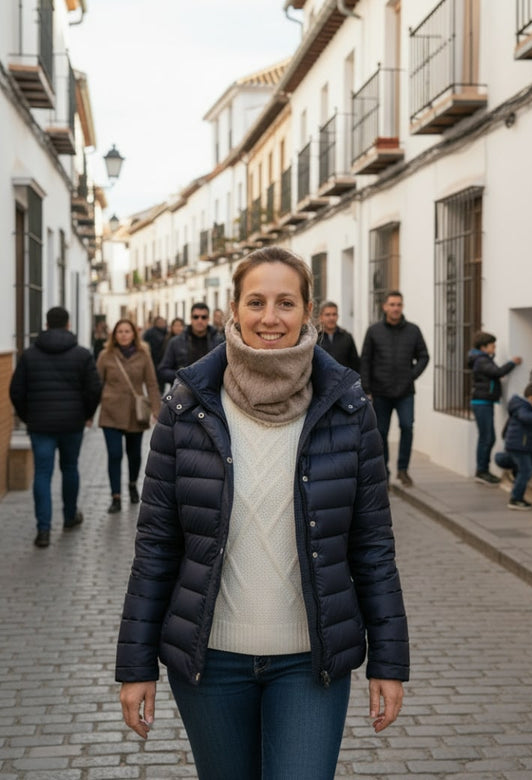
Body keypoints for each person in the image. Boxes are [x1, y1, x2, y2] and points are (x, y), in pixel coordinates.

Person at [116, 246, 409, 780]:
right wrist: (135, 665)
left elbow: (371, 545)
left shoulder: (347, 407)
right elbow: (157, 544)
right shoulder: (188, 407)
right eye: (256, 301)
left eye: (285, 303)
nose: (269, 318)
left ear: (308, 310)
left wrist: (389, 661)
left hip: (310, 662)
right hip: (211, 662)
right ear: (233, 308)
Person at [9, 306, 102, 548]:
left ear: (46, 325)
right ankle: (70, 517)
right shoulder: (82, 354)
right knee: (70, 468)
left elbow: (16, 390)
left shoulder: (29, 355)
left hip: (40, 424)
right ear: (69, 325)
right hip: (72, 423)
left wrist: (28, 416)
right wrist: (87, 414)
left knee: (42, 474)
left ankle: (43, 531)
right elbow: (94, 389)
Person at [360, 290, 429, 487]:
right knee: (380, 433)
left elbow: (424, 356)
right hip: (380, 392)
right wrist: (366, 388)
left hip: (405, 392)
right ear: (385, 307)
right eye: (392, 304)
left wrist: (411, 376)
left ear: (402, 307)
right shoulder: (374, 331)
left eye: (398, 304)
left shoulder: (413, 330)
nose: (395, 308)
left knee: (407, 427)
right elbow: (365, 360)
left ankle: (403, 470)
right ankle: (385, 473)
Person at [97, 320, 161, 513]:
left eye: (127, 331)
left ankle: (132, 484)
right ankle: (115, 496)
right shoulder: (105, 355)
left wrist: (156, 410)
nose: (124, 335)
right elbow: (96, 383)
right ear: (114, 335)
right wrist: (89, 411)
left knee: (134, 455)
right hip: (111, 412)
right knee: (114, 454)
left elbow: (151, 383)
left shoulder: (143, 355)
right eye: (120, 332)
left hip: (135, 413)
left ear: (134, 334)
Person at [467, 331, 522, 486]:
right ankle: (482, 471)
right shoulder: (482, 360)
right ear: (484, 347)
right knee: (487, 437)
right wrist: (512, 363)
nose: (495, 348)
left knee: (487, 437)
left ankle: (483, 470)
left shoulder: (481, 359)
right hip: (482, 403)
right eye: (492, 345)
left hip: (484, 402)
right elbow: (497, 372)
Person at [494, 381, 532, 511]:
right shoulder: (522, 407)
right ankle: (516, 499)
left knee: (531, 463)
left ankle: (501, 460)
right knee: (526, 471)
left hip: (518, 445)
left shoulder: (521, 405)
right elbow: (527, 418)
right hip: (519, 446)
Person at [157, 303, 223, 385]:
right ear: (191, 319)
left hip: (211, 392)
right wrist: (184, 376)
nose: (200, 320)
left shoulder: (219, 341)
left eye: (203, 317)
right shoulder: (176, 342)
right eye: (196, 317)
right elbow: (163, 370)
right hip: (183, 392)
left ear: (208, 319)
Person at [316, 300, 360, 371]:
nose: (331, 318)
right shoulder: (314, 338)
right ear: (321, 317)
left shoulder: (347, 337)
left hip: (343, 380)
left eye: (334, 314)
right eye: (328, 315)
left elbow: (355, 364)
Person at [142, 316, 167, 393]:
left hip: (163, 360)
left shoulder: (166, 332)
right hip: (153, 360)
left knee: (162, 381)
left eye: (163, 322)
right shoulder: (150, 332)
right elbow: (144, 344)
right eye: (159, 322)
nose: (161, 324)